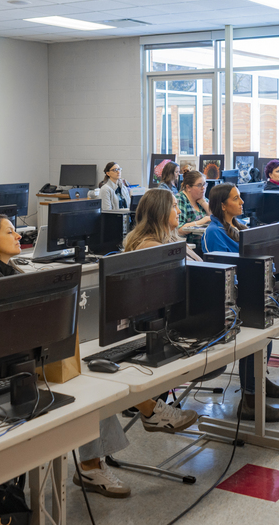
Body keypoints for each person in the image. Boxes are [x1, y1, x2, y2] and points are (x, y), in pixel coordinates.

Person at [73, 191, 202, 497]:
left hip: (154, 325)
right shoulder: (149, 246)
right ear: (160, 211)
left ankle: (148, 411)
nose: (178, 209)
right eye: (173, 206)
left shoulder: (166, 240)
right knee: (102, 385)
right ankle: (147, 411)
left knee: (106, 385)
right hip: (134, 328)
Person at [202, 183, 279, 422]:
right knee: (258, 331)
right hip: (230, 299)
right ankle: (250, 400)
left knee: (269, 330)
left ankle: (258, 380)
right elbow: (219, 268)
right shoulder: (214, 232)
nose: (241, 202)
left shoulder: (240, 227)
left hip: (251, 291)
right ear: (222, 205)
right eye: (236, 198)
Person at [175, 170, 210, 236]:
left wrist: (204, 203)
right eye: (199, 185)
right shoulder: (180, 200)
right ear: (188, 187)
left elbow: (217, 219)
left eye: (204, 184)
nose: (203, 188)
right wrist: (202, 221)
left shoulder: (203, 199)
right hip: (188, 244)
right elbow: (178, 229)